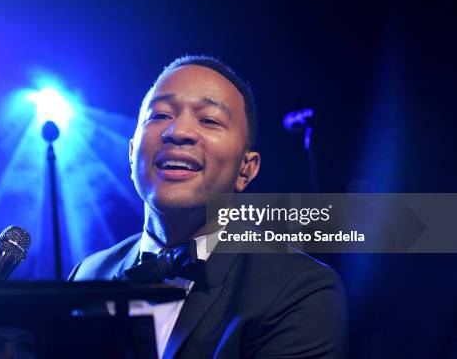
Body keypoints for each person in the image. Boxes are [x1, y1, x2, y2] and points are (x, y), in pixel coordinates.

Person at [69, 55, 348, 359]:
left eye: (209, 120)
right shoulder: (88, 275)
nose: (178, 131)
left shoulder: (301, 289)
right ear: (132, 153)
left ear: (246, 169)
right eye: (160, 115)